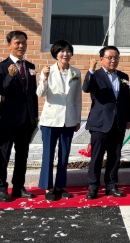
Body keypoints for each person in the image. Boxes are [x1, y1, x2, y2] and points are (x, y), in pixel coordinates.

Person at [0, 30, 38, 202]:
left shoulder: (30, 67)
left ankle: (18, 186)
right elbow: (2, 90)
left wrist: (34, 115)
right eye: (17, 43)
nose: (21, 46)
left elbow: (32, 94)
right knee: (3, 155)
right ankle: (1, 188)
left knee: (22, 155)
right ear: (9, 45)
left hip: (26, 120)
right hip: (8, 120)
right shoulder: (1, 67)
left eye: (23, 43)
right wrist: (10, 76)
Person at [84, 46, 130, 200]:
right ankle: (93, 186)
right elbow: (86, 88)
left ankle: (111, 185)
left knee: (115, 156)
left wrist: (128, 118)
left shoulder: (123, 76)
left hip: (118, 123)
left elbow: (126, 99)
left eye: (116, 57)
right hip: (100, 123)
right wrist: (91, 70)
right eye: (110, 57)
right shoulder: (96, 75)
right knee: (97, 157)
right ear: (102, 59)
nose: (113, 60)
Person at [36, 40, 82, 201]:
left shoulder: (76, 72)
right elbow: (40, 94)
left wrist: (77, 119)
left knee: (64, 155)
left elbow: (77, 99)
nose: (65, 54)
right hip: (50, 120)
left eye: (68, 51)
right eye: (62, 51)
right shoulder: (48, 70)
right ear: (55, 54)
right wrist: (44, 77)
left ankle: (60, 186)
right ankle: (48, 187)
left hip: (68, 120)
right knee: (48, 155)